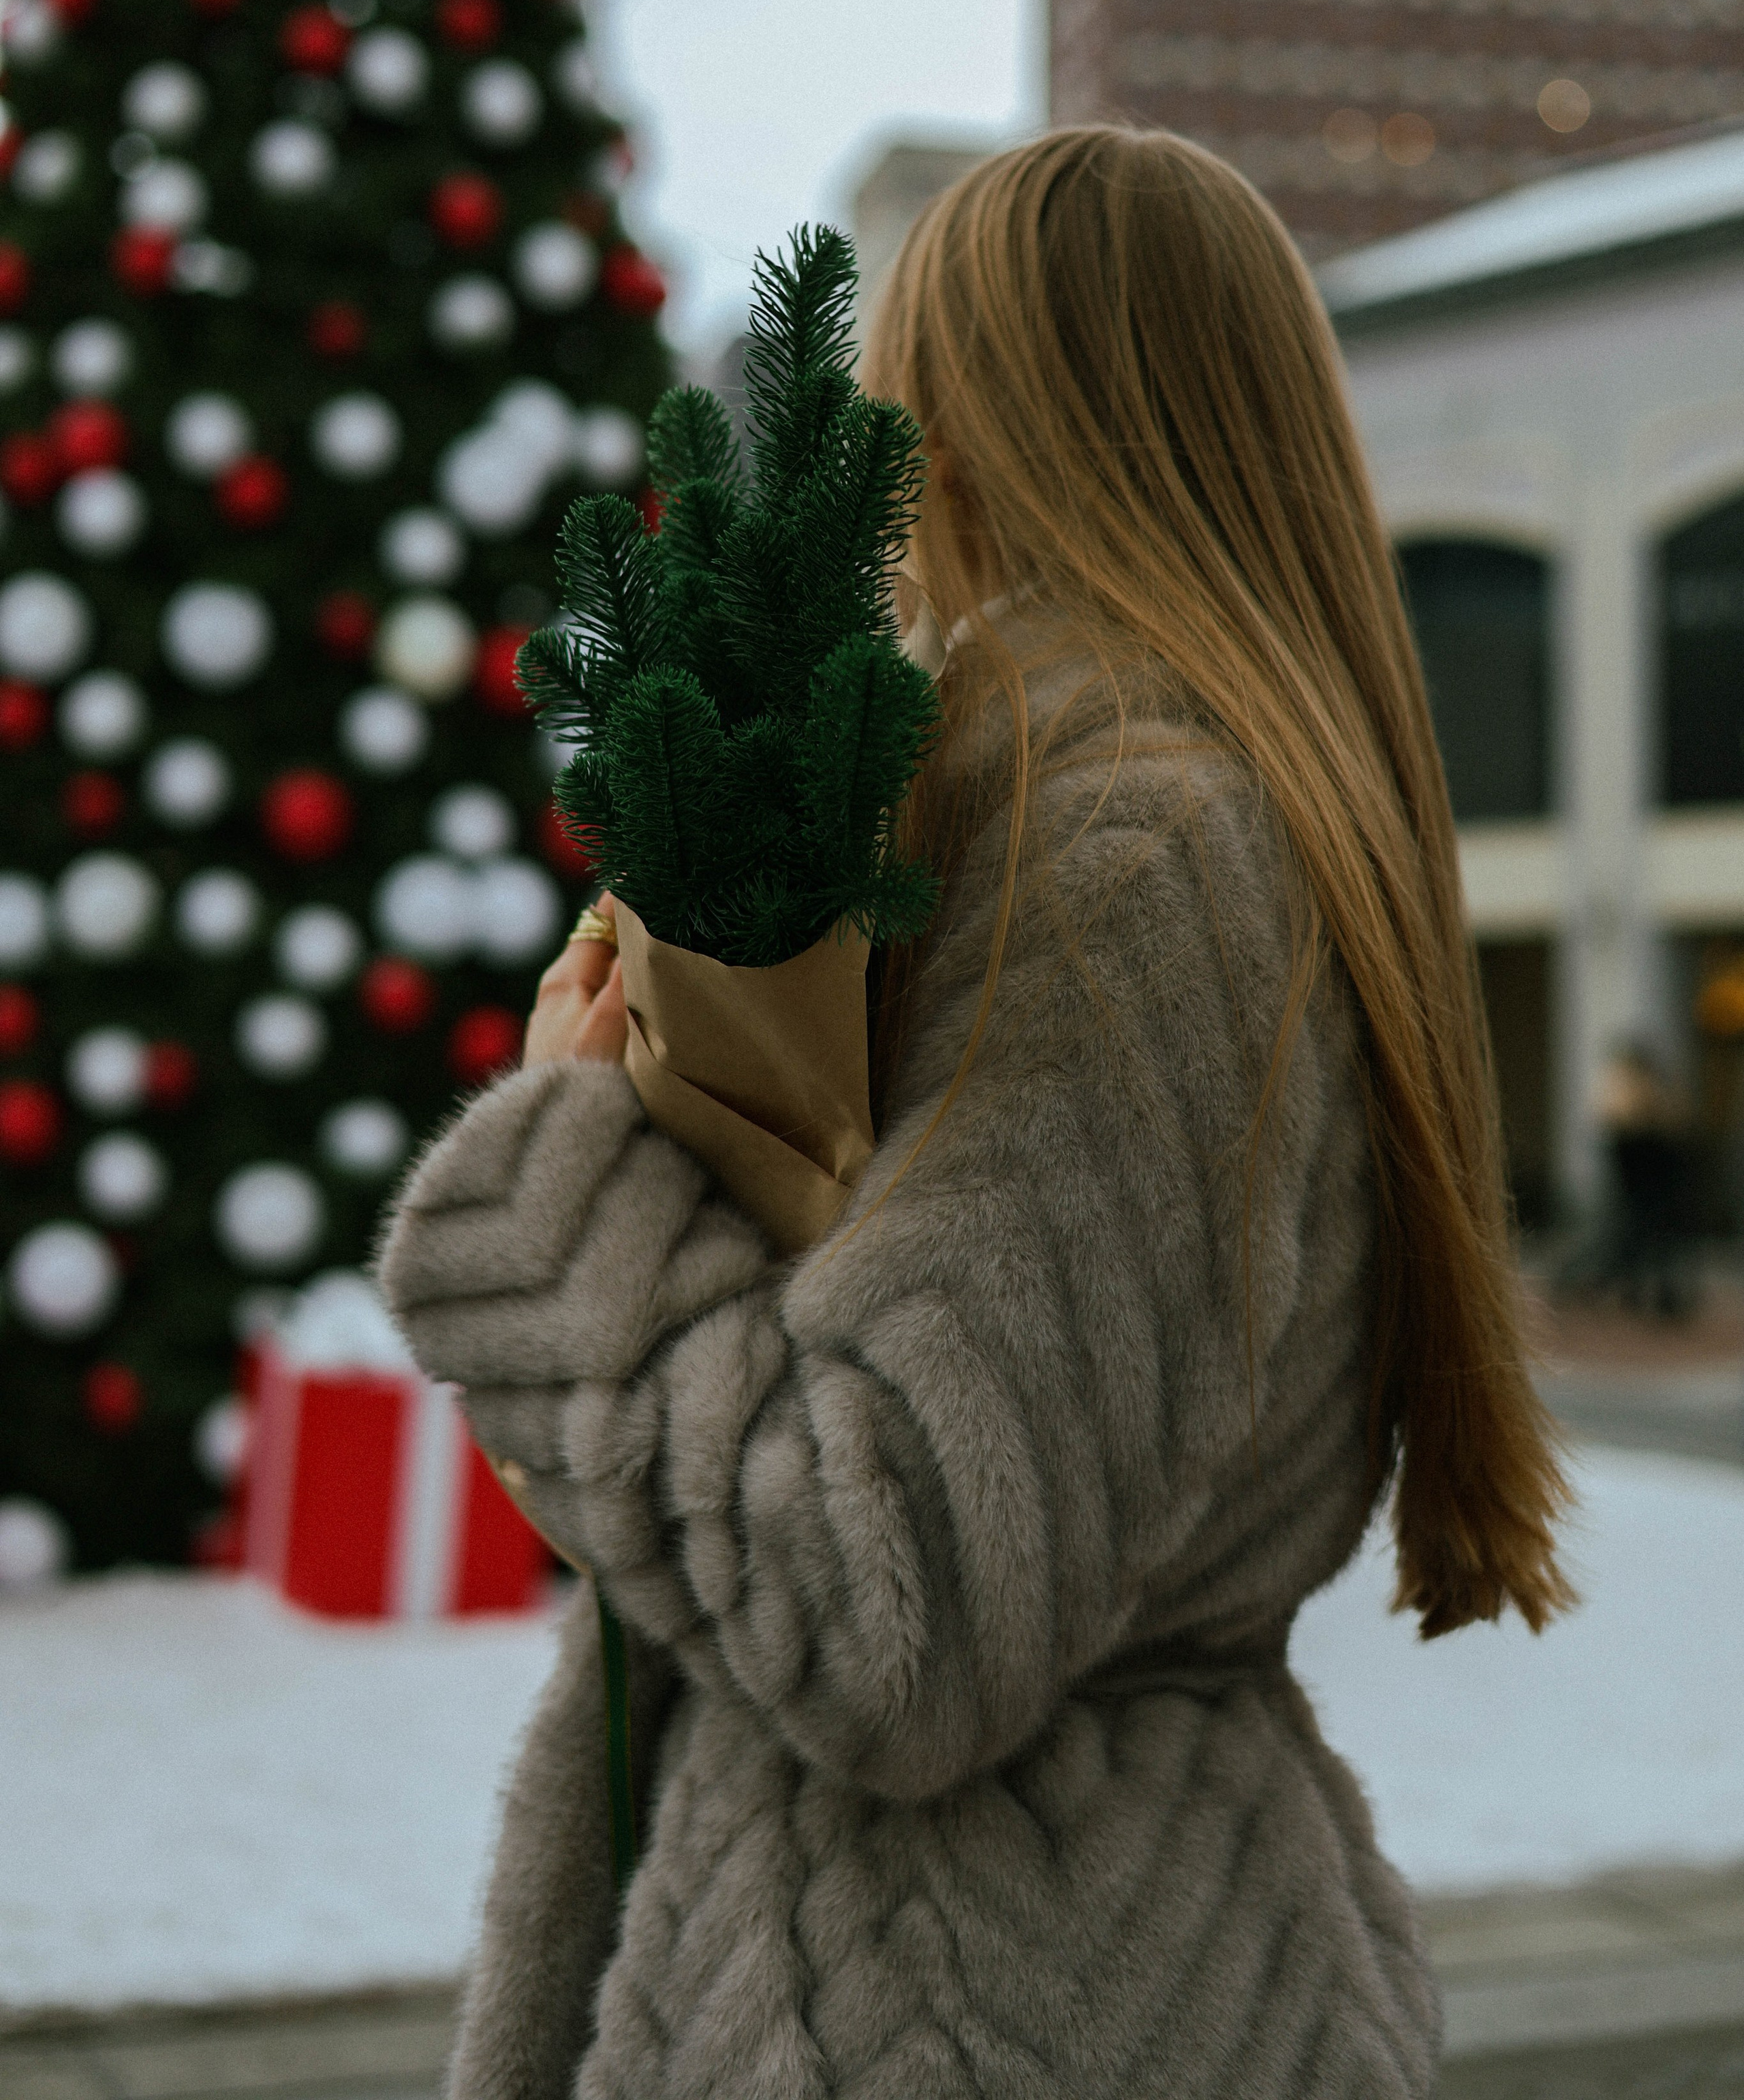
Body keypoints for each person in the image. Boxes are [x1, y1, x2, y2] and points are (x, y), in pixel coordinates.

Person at [379, 127, 1572, 2100]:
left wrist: (572, 1182)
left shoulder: (1124, 846)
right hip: (1092, 1965)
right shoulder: (1176, 804)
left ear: (957, 415)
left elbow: (895, 1605)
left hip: (972, 1998)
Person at [1594, 1039, 1692, 1319]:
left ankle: (1652, 1292)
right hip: (1641, 1180)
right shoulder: (1630, 1092)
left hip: (1650, 1182)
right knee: (1642, 1235)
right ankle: (1643, 1291)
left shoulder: (1649, 1091)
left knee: (1649, 1237)